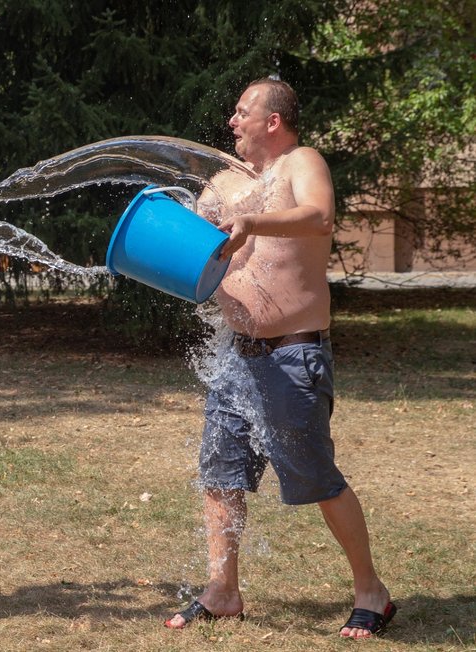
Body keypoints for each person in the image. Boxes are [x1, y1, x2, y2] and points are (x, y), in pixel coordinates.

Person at [164, 78, 396, 639]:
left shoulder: (300, 163)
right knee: (220, 475)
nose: (232, 122)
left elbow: (319, 216)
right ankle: (223, 590)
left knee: (316, 477)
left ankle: (372, 591)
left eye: (243, 112)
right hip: (235, 355)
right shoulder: (224, 181)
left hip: (294, 355)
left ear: (273, 121)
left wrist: (251, 223)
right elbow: (190, 244)